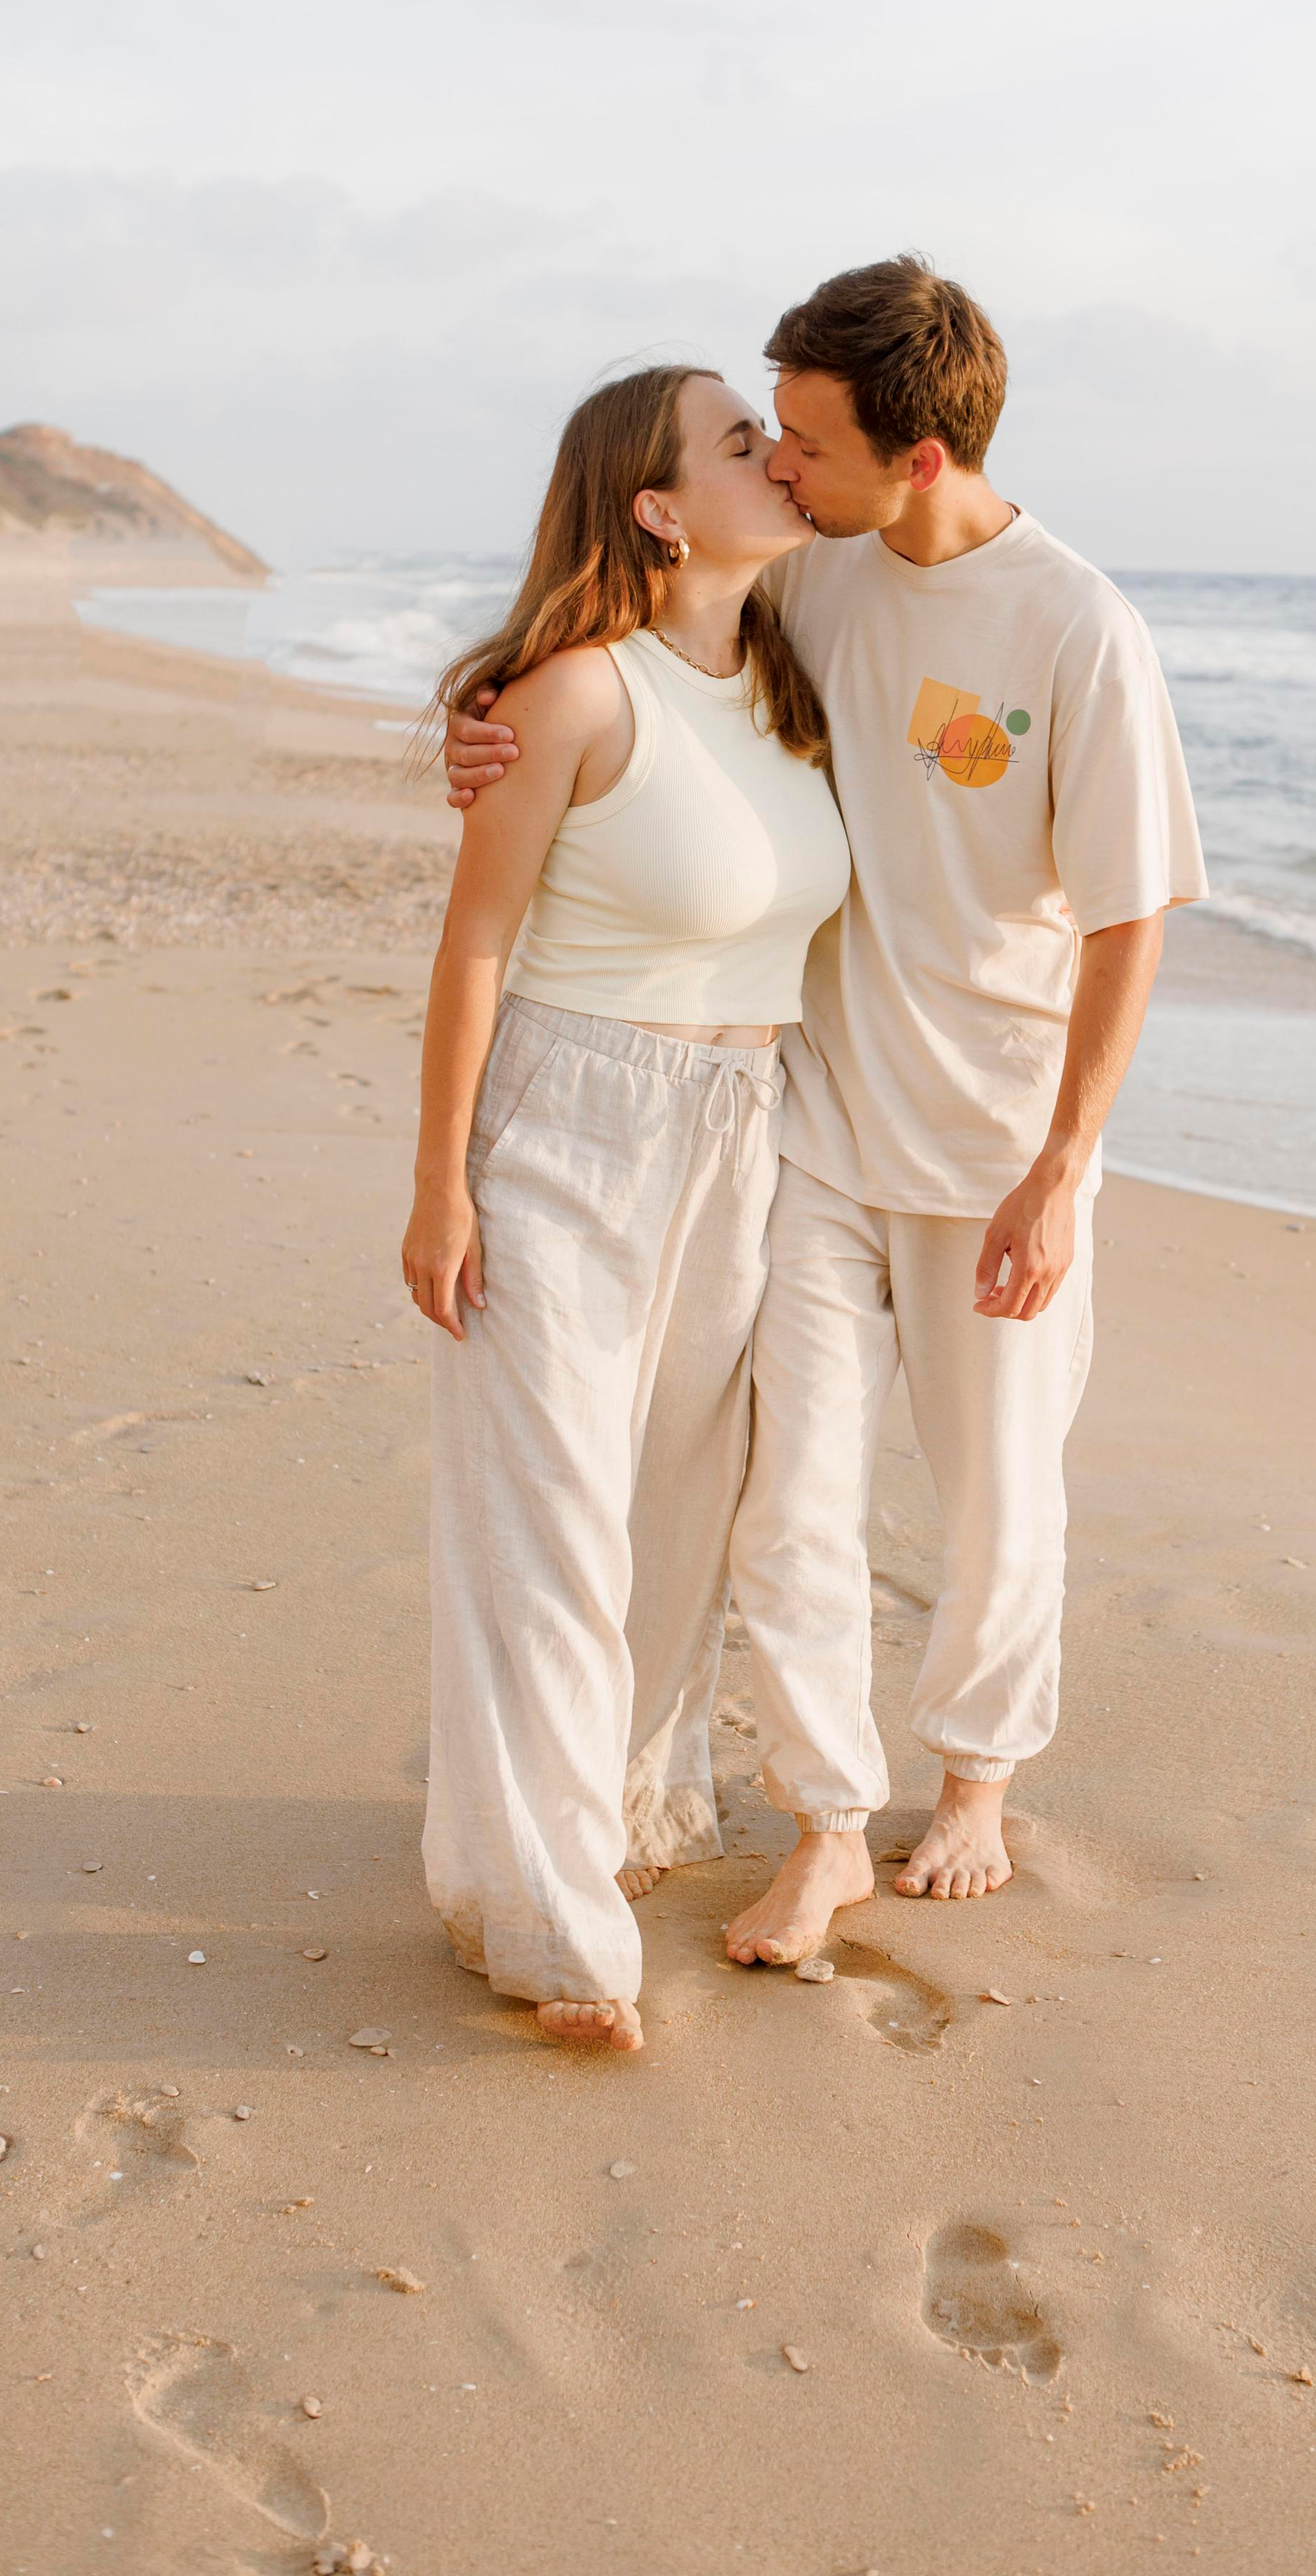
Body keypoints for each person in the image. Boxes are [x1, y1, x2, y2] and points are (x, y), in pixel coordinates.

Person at [445, 258, 1206, 1970]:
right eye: (768, 438)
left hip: (997, 1148)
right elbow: (650, 687)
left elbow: (1127, 913)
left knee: (999, 1489)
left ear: (917, 455)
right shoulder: (817, 585)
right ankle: (825, 1825)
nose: (781, 469)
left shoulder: (1076, 625)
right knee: (794, 1496)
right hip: (804, 1122)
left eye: (805, 440)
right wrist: (480, 741)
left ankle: (977, 1791)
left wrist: (1065, 1169)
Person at [403, 363, 850, 2048]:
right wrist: (439, 1182)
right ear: (656, 506)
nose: (777, 459)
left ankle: (609, 1807)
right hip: (566, 1125)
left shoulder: (796, 675)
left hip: (740, 1125)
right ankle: (546, 1916)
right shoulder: (575, 694)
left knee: (674, 1510)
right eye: (742, 442)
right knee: (549, 1525)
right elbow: (474, 945)